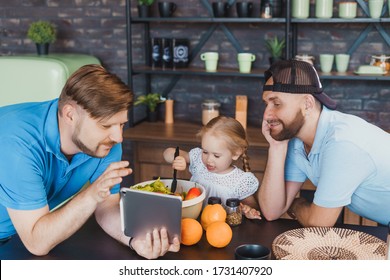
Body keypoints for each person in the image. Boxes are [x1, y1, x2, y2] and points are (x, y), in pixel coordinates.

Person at [0, 64, 179, 259]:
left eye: (121, 124)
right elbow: (37, 243)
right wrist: (91, 195)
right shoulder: (17, 145)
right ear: (70, 115)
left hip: (20, 236)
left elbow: (107, 205)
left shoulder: (105, 141)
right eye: (106, 125)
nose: (118, 137)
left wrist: (134, 239)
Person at [258, 59, 390, 227]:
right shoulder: (296, 141)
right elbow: (272, 211)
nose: (266, 115)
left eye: (276, 103)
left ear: (307, 104)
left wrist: (295, 204)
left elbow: (318, 223)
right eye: (266, 104)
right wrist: (276, 146)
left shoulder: (342, 142)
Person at [164, 116, 261, 219]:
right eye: (205, 152)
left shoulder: (240, 180)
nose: (209, 159)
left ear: (236, 153)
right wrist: (178, 158)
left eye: (216, 155)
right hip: (191, 222)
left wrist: (247, 210)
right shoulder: (199, 161)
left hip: (221, 229)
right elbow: (168, 153)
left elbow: (252, 207)